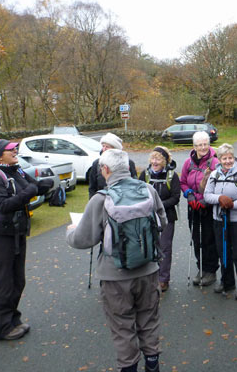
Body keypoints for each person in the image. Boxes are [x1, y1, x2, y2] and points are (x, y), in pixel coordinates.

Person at [66, 149, 167, 372]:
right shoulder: (148, 190)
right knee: (149, 320)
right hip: (149, 270)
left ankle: (129, 367)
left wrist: (70, 231)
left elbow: (84, 239)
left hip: (115, 277)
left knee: (123, 326)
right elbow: (162, 221)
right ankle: (152, 364)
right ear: (129, 167)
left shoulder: (101, 199)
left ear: (106, 170)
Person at [0, 139, 53, 341]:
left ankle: (12, 319)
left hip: (16, 232)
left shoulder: (16, 170)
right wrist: (30, 191)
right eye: (10, 149)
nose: (15, 151)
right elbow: (3, 205)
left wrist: (43, 187)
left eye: (14, 148)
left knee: (17, 281)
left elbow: (30, 187)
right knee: (3, 284)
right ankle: (0, 329)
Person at [204, 143, 237, 299]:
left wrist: (233, 205)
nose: (228, 161)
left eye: (230, 158)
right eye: (224, 158)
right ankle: (227, 282)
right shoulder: (214, 175)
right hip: (219, 219)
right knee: (223, 252)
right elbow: (207, 195)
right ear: (219, 159)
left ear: (234, 158)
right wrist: (220, 198)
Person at [180, 131, 220, 286]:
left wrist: (205, 200)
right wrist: (189, 195)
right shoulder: (187, 163)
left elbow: (219, 186)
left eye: (205, 144)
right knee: (196, 239)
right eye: (199, 145)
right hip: (193, 207)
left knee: (209, 239)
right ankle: (201, 268)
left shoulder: (215, 162)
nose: (203, 147)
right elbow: (183, 182)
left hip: (209, 207)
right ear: (194, 146)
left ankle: (210, 271)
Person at [138, 146, 180, 292]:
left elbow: (176, 197)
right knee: (148, 246)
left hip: (167, 216)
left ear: (164, 161)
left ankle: (163, 279)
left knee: (165, 248)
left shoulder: (172, 176)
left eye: (158, 159)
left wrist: (159, 206)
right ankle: (149, 277)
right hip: (148, 217)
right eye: (153, 158)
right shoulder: (145, 174)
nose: (155, 162)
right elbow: (138, 193)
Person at [88, 132, 138, 198]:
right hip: (102, 202)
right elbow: (92, 188)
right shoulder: (97, 164)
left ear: (115, 149)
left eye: (107, 146)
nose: (104, 149)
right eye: (103, 146)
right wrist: (94, 203)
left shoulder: (128, 163)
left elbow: (134, 183)